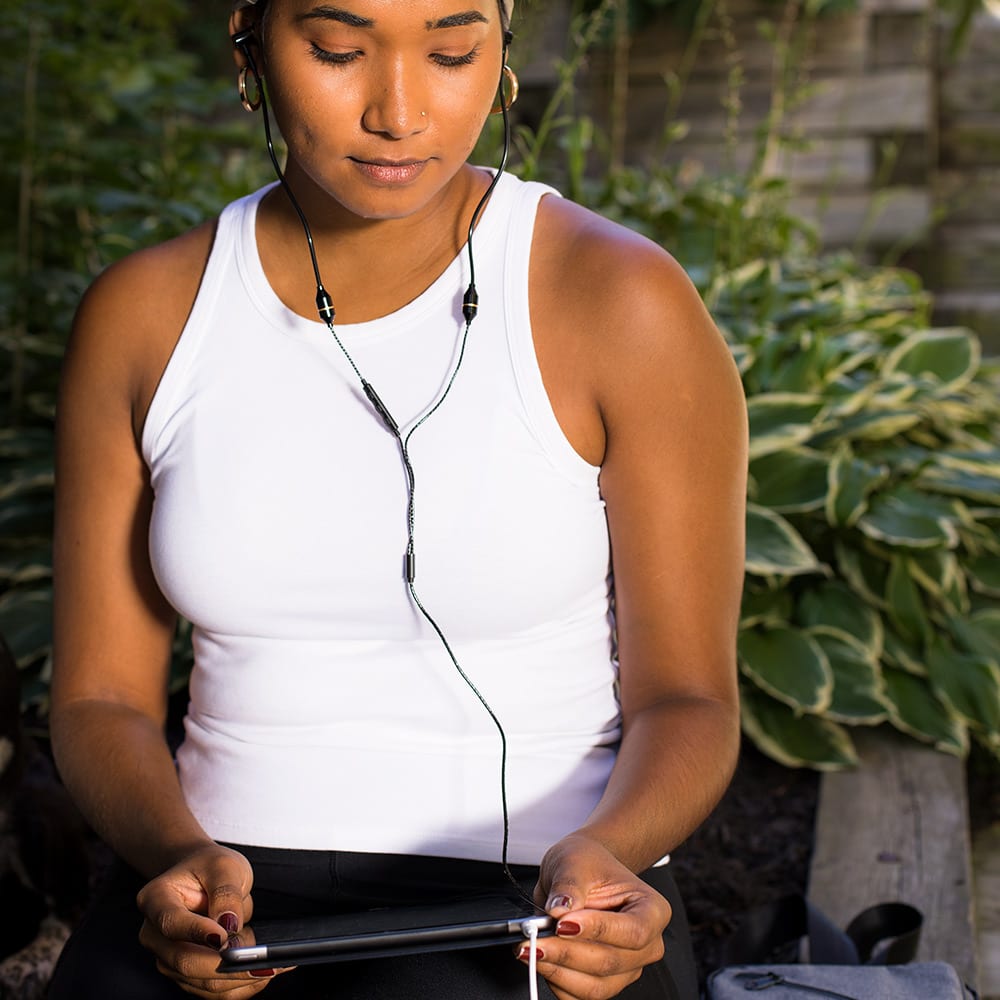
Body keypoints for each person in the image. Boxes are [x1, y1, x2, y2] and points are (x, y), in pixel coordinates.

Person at [47, 1, 748, 997]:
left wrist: (608, 856)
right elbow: (97, 696)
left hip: (532, 901)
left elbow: (689, 699)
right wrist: (177, 859)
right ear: (248, 42)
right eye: (338, 51)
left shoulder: (620, 300)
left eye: (452, 53)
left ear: (504, 53)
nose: (401, 110)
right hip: (221, 892)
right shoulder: (144, 315)